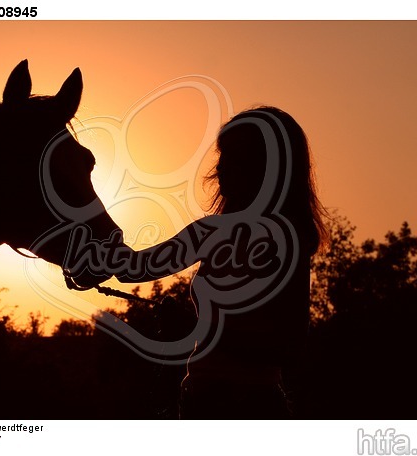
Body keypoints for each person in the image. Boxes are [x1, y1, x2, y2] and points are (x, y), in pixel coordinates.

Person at [65, 106, 328, 418]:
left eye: (235, 156)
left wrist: (198, 326)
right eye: (222, 154)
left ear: (267, 168)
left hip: (251, 409)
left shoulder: (288, 244)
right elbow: (135, 267)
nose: (221, 168)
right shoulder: (211, 233)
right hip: (199, 404)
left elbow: (289, 347)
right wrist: (79, 254)